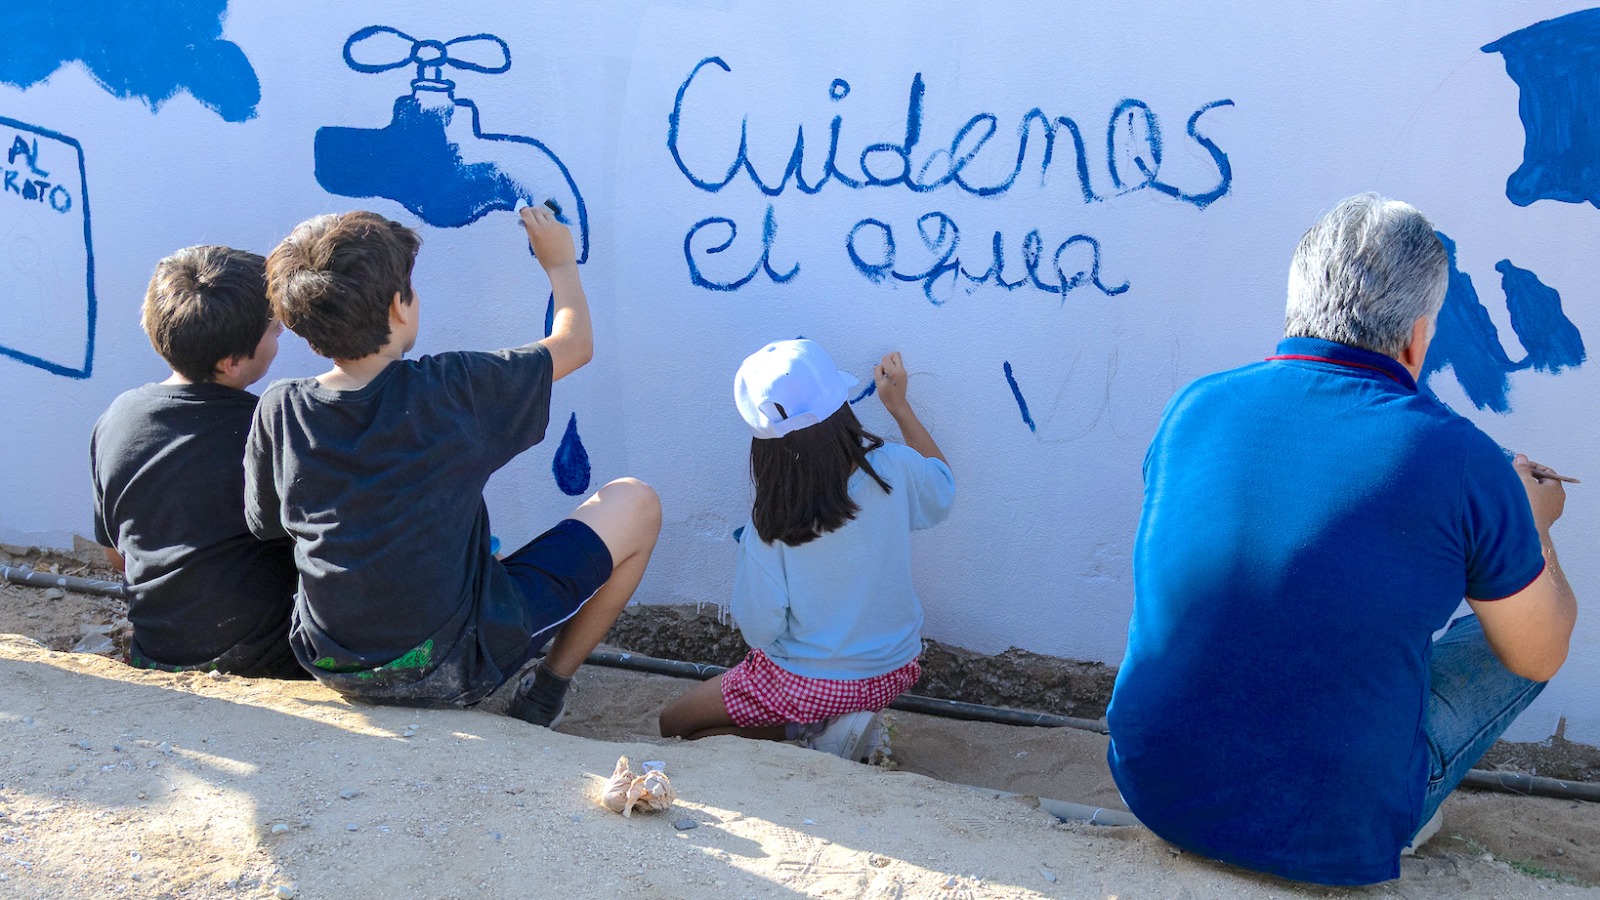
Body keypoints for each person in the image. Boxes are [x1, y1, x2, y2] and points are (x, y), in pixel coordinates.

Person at [1106, 194, 1577, 886]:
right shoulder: (1464, 458)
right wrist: (1532, 525)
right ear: (1418, 336)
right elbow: (1541, 651)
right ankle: (1400, 809)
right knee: (1524, 626)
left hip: (1154, 786)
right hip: (1331, 826)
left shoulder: (1195, 406)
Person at [244, 207, 660, 723]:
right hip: (452, 664)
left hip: (333, 661)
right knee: (636, 503)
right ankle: (545, 691)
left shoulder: (280, 407)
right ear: (399, 307)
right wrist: (560, 265)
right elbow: (575, 345)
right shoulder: (451, 388)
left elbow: (266, 525)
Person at [658, 340, 955, 762]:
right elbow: (942, 489)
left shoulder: (771, 526)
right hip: (895, 670)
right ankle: (838, 726)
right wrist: (898, 406)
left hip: (807, 683)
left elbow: (759, 632)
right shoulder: (892, 467)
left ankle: (811, 735)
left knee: (674, 724)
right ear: (841, 408)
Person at [90, 245, 302, 678]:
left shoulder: (117, 417)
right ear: (231, 362)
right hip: (266, 664)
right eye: (275, 333)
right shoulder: (271, 428)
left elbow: (116, 555)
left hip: (156, 655)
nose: (279, 340)